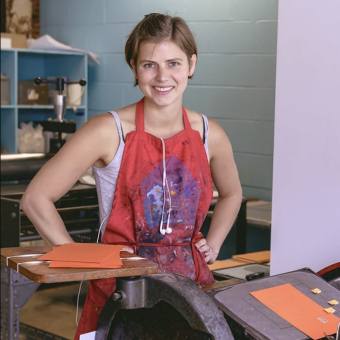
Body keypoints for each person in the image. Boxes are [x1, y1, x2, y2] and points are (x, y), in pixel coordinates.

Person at [21, 13, 242, 339]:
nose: (162, 76)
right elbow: (36, 198)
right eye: (149, 64)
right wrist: (78, 257)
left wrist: (215, 243)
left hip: (192, 296)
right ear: (133, 66)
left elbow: (233, 193)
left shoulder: (211, 134)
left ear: (191, 64)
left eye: (174, 63)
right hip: (122, 296)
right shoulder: (107, 131)